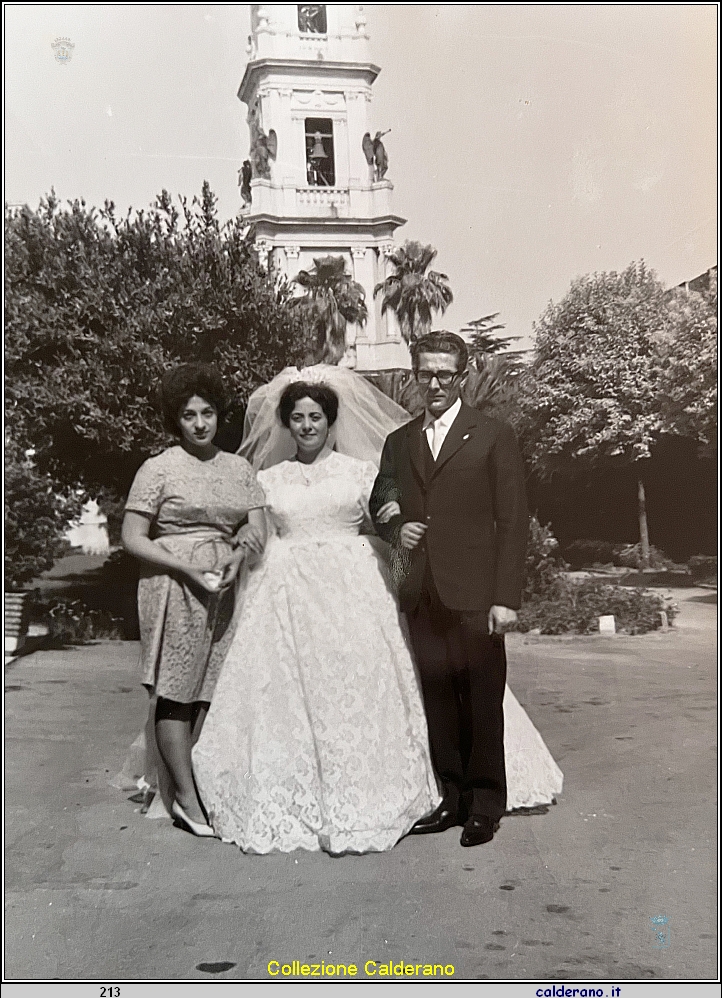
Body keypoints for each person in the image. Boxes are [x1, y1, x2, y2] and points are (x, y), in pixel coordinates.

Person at [192, 376, 441, 854]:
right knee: (285, 690)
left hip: (354, 591)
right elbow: (257, 532)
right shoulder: (269, 478)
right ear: (287, 424)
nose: (307, 426)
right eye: (298, 418)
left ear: (330, 422)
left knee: (357, 683)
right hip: (287, 593)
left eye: (315, 417)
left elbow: (386, 525)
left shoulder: (360, 472)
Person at [370, 331, 530, 848]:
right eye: (426, 374)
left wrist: (505, 597)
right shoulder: (399, 441)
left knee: (482, 700)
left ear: (462, 376)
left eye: (445, 374)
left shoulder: (492, 435)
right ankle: (452, 799)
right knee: (438, 699)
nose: (435, 384)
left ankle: (485, 805)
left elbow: (513, 521)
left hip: (476, 594)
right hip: (422, 591)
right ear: (415, 375)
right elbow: (381, 499)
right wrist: (397, 526)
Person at [121, 363, 267, 837]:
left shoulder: (239, 468)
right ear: (176, 420)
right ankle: (185, 799)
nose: (200, 423)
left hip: (223, 585)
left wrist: (237, 557)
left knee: (213, 688)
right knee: (176, 689)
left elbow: (257, 529)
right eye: (189, 415)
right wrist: (184, 567)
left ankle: (197, 786)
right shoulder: (158, 468)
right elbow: (132, 537)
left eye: (207, 413)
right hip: (172, 585)